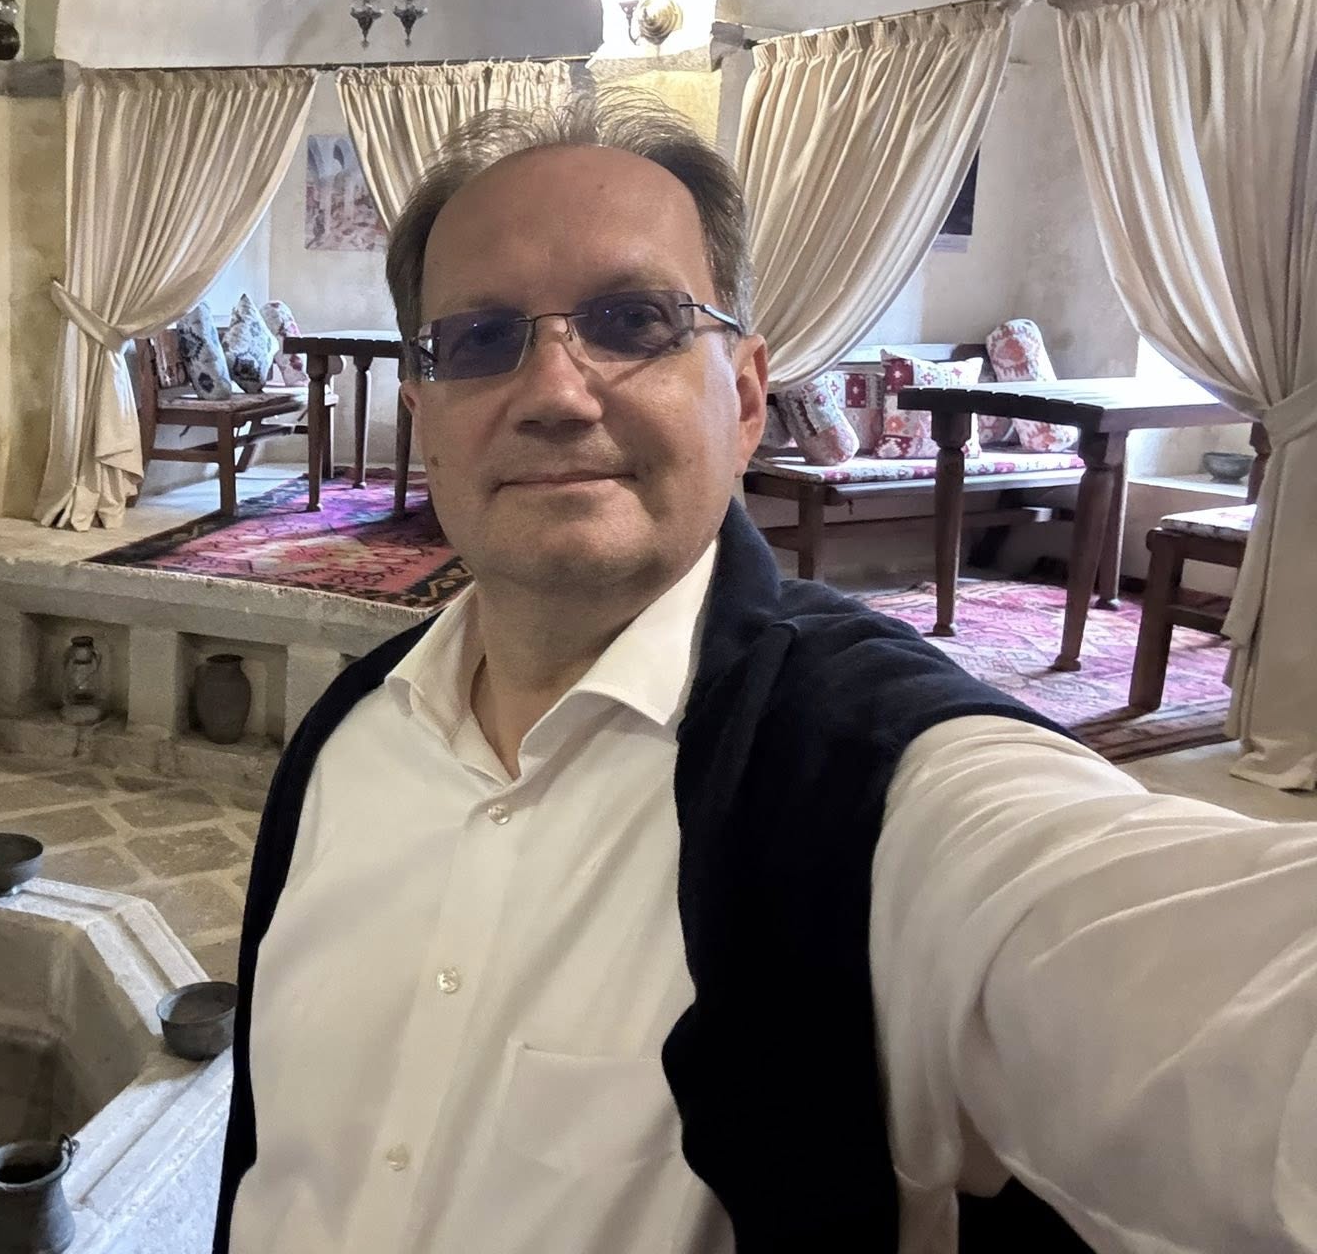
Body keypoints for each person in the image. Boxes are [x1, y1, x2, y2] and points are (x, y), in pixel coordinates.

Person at [212, 93, 1317, 1254]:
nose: (553, 391)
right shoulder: (345, 735)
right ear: (424, 416)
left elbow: (1192, 983)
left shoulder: (870, 782)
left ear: (741, 398)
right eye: (481, 340)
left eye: (631, 320)